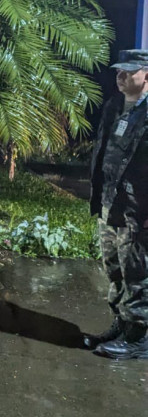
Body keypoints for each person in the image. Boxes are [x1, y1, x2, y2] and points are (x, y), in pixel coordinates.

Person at [83, 48, 148, 359]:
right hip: (111, 203)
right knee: (115, 271)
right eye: (119, 71)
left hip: (139, 211)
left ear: (146, 75)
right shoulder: (115, 107)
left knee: (138, 274)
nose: (120, 76)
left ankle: (139, 336)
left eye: (129, 71)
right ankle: (122, 324)